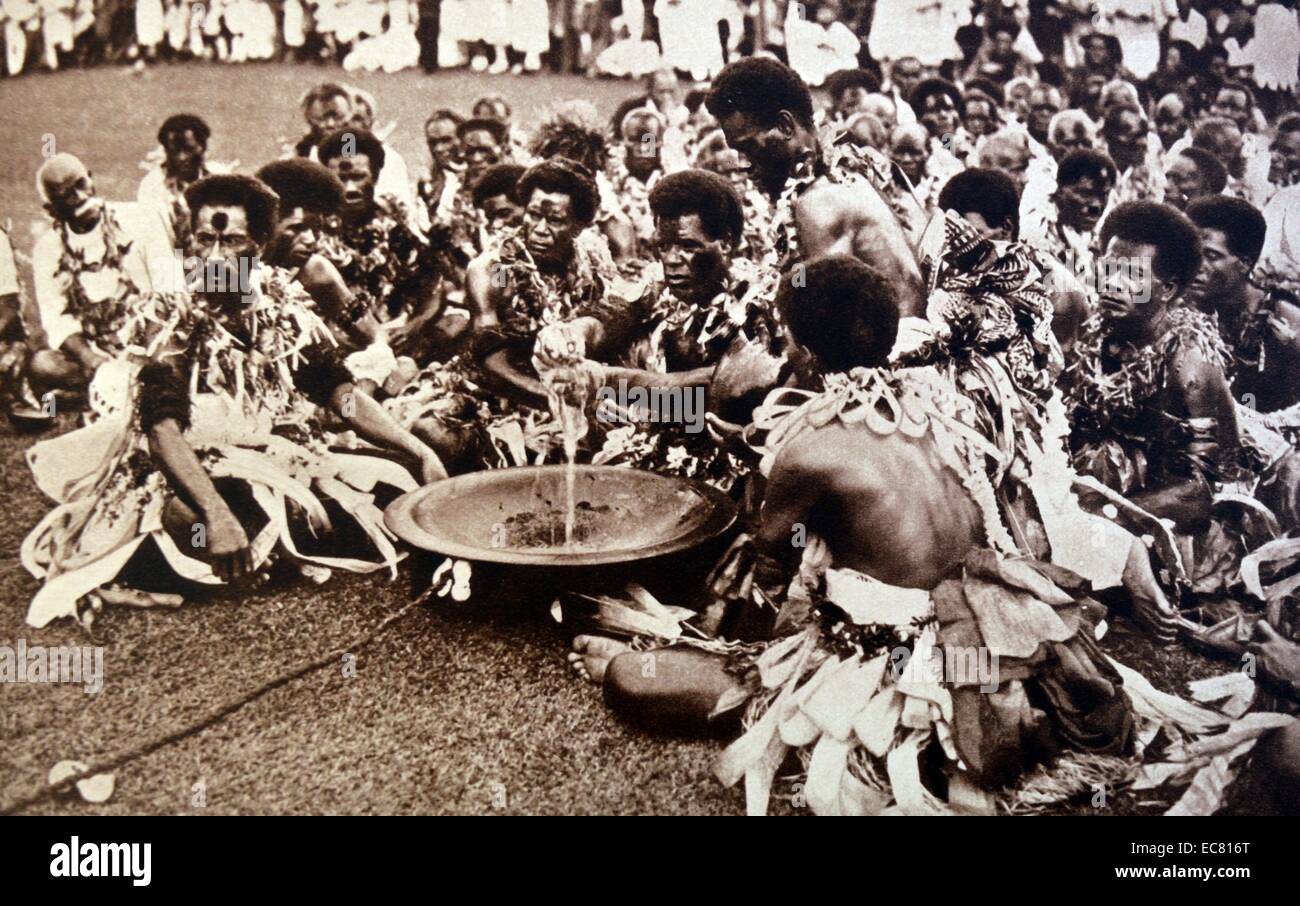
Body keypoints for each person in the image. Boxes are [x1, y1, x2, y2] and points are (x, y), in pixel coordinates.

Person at [21, 174, 446, 629]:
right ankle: (209, 543)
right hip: (181, 469)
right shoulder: (170, 318)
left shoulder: (282, 306)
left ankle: (252, 548)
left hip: (266, 457)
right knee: (192, 520)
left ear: (260, 245)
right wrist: (217, 515)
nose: (217, 256)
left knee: (393, 487)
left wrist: (419, 449)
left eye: (233, 241)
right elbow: (161, 431)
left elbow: (340, 395)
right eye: (205, 239)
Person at [1063, 201, 1240, 546]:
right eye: (1109, 268)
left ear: (1168, 289)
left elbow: (1199, 491)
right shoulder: (1098, 333)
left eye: (1133, 275)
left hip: (1180, 527)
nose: (1113, 284)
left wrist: (1105, 512)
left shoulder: (1189, 363)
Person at [705, 57, 925, 317]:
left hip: (896, 351)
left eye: (748, 147)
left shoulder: (820, 202)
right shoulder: (842, 177)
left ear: (785, 126)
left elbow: (823, 327)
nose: (743, 164)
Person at [28, 153, 174, 395]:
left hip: (152, 336)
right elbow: (57, 321)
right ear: (51, 209)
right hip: (97, 349)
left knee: (168, 358)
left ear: (91, 179)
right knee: (43, 364)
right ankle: (116, 387)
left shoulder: (139, 218)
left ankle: (115, 389)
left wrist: (146, 349)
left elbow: (168, 286)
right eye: (66, 195)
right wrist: (94, 361)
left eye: (81, 184)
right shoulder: (47, 248)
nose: (81, 197)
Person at [137, 113, 215, 246]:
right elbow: (152, 238)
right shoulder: (152, 186)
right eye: (174, 150)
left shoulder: (218, 181)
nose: (181, 157)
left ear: (203, 147)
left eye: (189, 149)